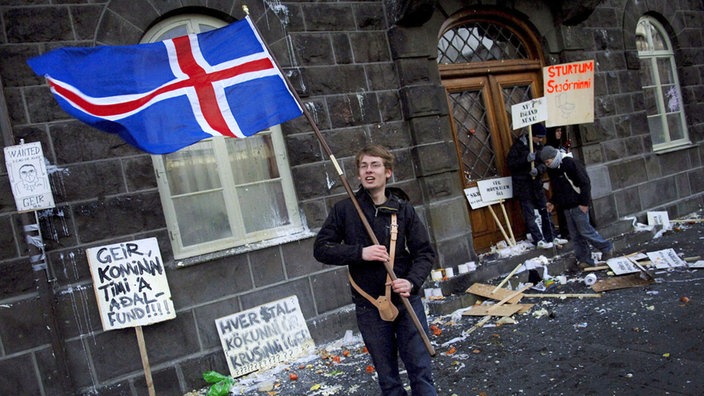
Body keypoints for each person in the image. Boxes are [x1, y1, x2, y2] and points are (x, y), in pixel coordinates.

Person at [313, 144, 437, 396]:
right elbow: (322, 248)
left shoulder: (404, 210)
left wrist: (411, 282)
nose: (369, 171)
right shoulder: (345, 210)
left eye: (375, 165)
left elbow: (424, 254)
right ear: (358, 175)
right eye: (363, 166)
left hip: (406, 301)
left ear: (387, 172)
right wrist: (360, 252)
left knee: (421, 372)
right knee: (388, 378)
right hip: (370, 306)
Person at [540, 145, 614, 269]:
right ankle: (584, 259)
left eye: (548, 162)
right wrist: (552, 202)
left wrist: (584, 203)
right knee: (575, 235)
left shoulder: (569, 163)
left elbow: (584, 183)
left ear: (553, 157)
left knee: (585, 231)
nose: (547, 165)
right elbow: (558, 189)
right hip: (567, 206)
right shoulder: (553, 169)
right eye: (546, 163)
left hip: (578, 204)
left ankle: (606, 247)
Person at [506, 123, 564, 249]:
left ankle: (551, 236)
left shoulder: (540, 146)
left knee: (545, 210)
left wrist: (538, 170)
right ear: (532, 135)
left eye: (542, 137)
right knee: (529, 214)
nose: (540, 140)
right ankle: (538, 239)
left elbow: (545, 163)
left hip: (536, 185)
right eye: (538, 137)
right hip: (523, 186)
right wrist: (525, 159)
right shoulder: (519, 146)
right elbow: (511, 164)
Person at [545, 126, 570, 240]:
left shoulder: (560, 146)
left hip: (566, 178)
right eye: (557, 131)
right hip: (557, 178)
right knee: (561, 205)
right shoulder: (549, 148)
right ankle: (565, 230)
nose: (559, 133)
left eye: (561, 131)